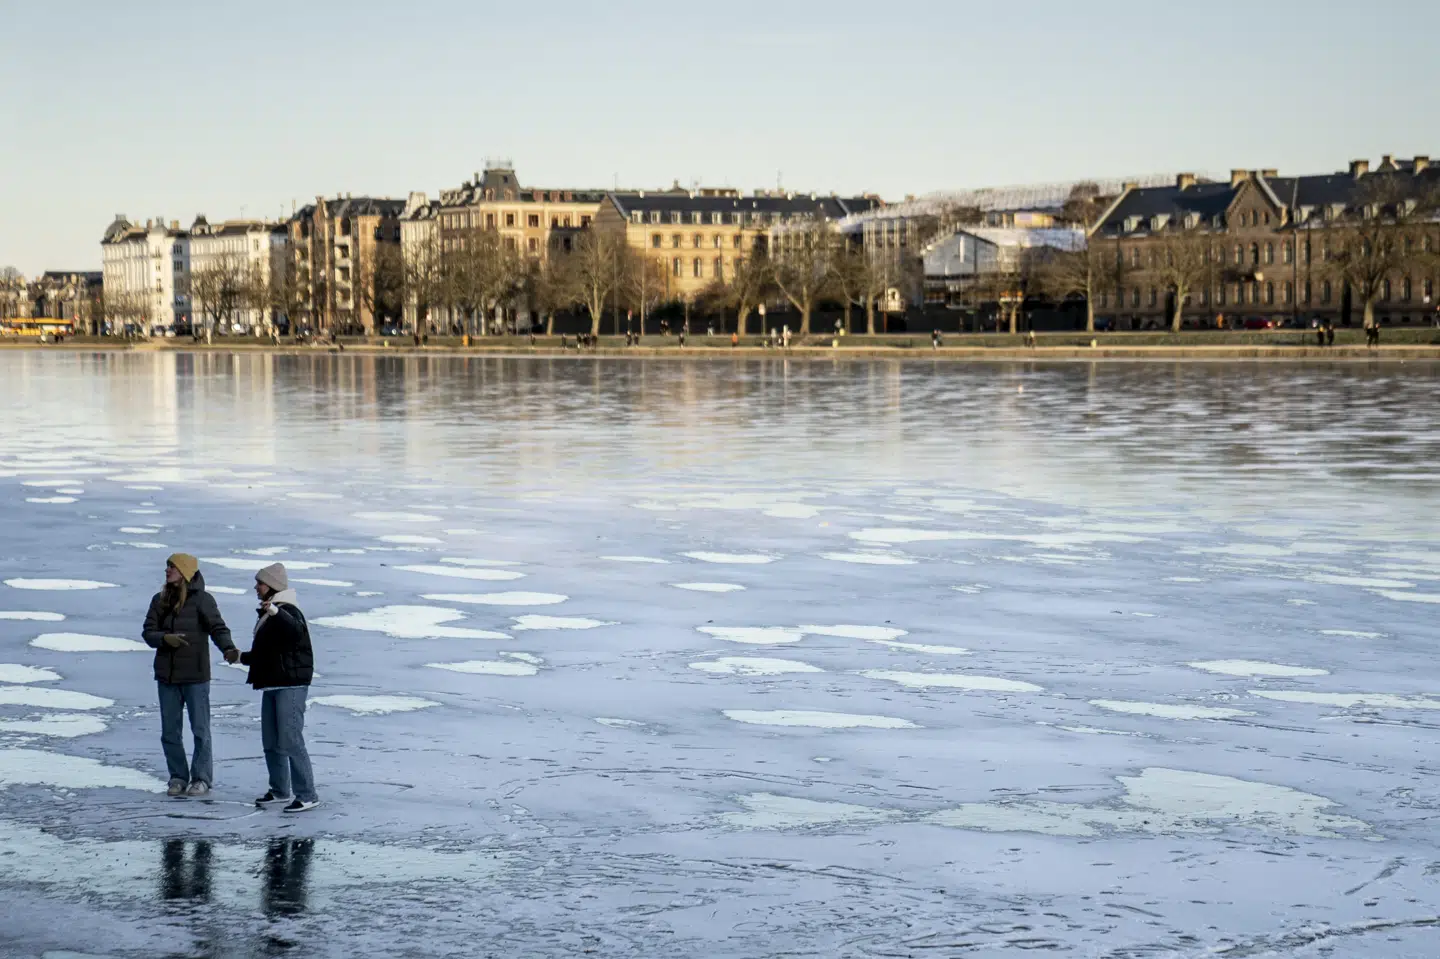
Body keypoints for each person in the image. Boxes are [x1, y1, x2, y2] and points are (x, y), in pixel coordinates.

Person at [142, 554, 238, 798]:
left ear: (184, 571)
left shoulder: (203, 600)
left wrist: (228, 648)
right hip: (167, 677)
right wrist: (164, 639)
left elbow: (218, 627)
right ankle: (177, 777)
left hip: (195, 676)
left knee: (200, 730)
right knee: (170, 732)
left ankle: (201, 779)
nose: (167, 570)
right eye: (167, 566)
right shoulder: (159, 600)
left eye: (172, 567)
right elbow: (148, 632)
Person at [238, 563, 319, 813]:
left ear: (272, 587)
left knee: (290, 739)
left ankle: (307, 794)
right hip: (273, 684)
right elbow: (267, 653)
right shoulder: (270, 614)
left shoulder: (289, 611)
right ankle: (280, 790)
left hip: (291, 684)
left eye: (260, 583)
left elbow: (295, 631)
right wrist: (241, 657)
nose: (256, 587)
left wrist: (275, 611)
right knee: (271, 740)